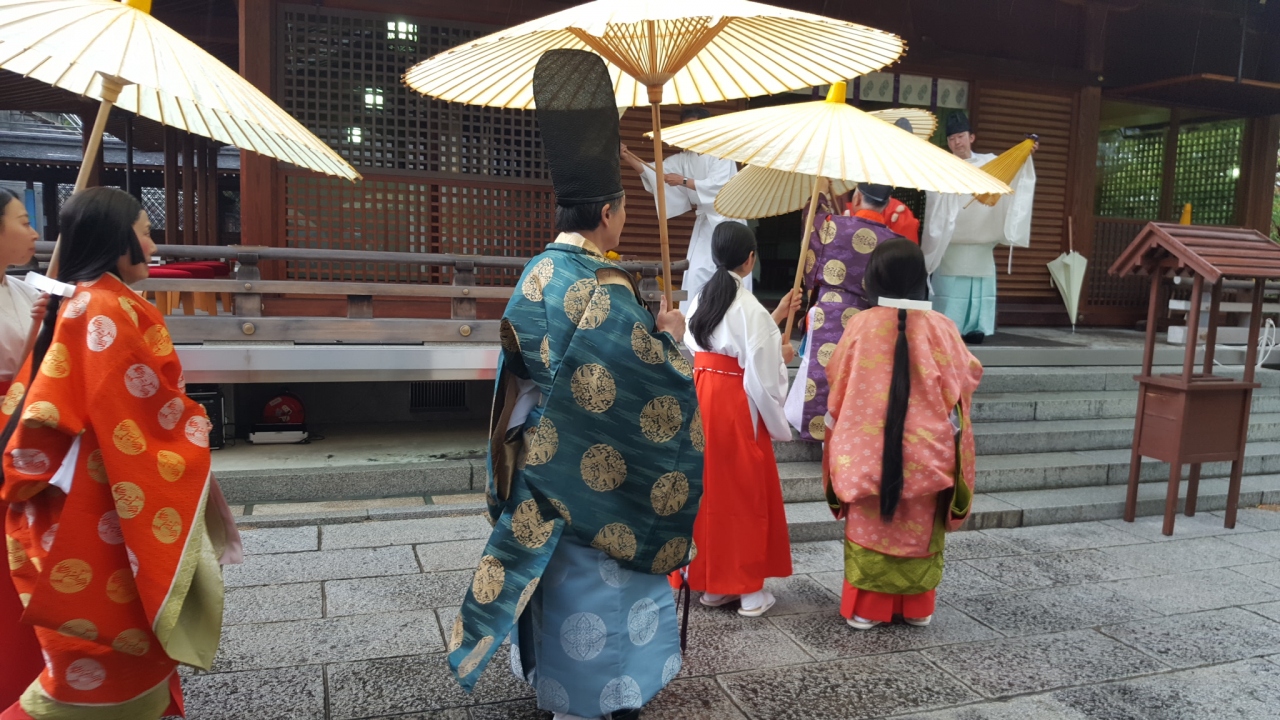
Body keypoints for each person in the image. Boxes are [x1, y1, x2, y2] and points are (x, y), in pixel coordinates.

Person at [448, 50, 702, 720]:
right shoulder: (604, 287)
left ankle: (558, 694)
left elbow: (518, 374)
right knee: (608, 593)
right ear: (611, 213)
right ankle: (607, 700)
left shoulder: (536, 272)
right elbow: (649, 390)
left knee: (557, 588)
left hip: (540, 466)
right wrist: (671, 342)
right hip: (600, 481)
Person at [0, 187, 241, 720]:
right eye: (146, 232)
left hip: (81, 490)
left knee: (107, 642)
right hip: (93, 501)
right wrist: (191, 423)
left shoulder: (88, 301)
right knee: (100, 650)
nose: (153, 246)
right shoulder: (103, 308)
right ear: (117, 237)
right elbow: (134, 411)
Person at [822, 239, 983, 630]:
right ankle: (916, 608)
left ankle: (867, 609)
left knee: (871, 524)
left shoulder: (860, 325)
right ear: (919, 280)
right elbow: (969, 376)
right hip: (928, 453)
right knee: (919, 527)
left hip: (867, 453)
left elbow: (837, 379)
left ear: (873, 278)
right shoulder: (943, 328)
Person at [675, 222, 798, 617]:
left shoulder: (702, 297)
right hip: (735, 404)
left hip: (701, 396)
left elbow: (717, 342)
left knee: (707, 492)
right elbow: (762, 375)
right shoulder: (749, 307)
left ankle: (713, 584)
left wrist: (776, 318)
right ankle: (747, 591)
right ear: (750, 259)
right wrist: (783, 359)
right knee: (742, 494)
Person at [785, 183, 903, 443]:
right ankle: (846, 430)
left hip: (827, 311)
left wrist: (821, 194)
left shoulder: (832, 225)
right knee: (854, 375)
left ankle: (809, 426)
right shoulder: (894, 242)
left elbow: (812, 221)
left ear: (857, 197)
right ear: (886, 204)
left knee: (818, 371)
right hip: (867, 319)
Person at [922, 111, 1037, 344]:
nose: (957, 142)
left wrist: (1025, 154)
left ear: (971, 137)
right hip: (952, 242)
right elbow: (935, 198)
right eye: (952, 138)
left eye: (961, 136)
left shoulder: (990, 163)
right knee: (950, 288)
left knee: (979, 288)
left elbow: (1012, 170)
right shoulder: (942, 166)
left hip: (983, 240)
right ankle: (945, 327)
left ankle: (977, 327)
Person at [0, 187, 48, 711]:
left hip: (20, 432)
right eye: (22, 221)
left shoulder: (23, 291)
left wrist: (44, 326)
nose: (34, 232)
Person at [621, 107, 746, 301]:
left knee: (730, 273)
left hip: (729, 220)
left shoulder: (721, 153)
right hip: (705, 222)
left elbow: (719, 186)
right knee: (697, 272)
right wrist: (627, 155)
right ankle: (697, 317)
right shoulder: (685, 158)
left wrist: (683, 181)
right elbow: (655, 172)